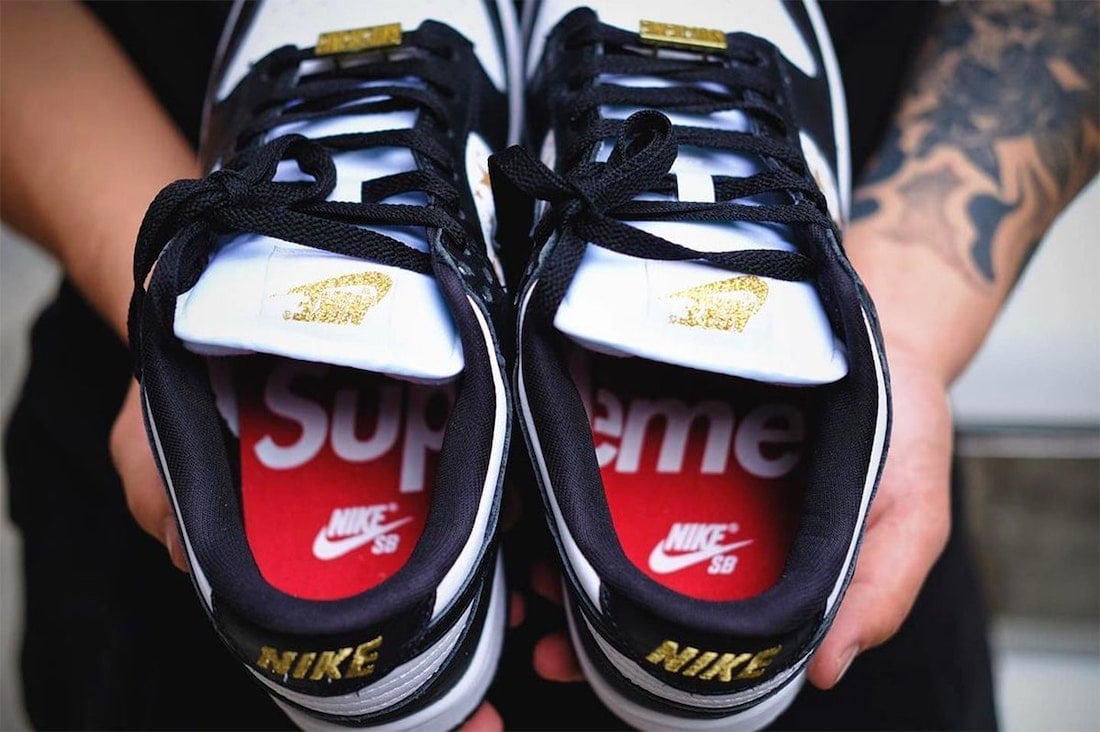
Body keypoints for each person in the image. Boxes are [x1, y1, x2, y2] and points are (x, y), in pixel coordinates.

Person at [1, 1, 1095, 730]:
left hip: (197, 526)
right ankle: (708, 637)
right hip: (137, 577)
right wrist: (897, 315)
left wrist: (908, 315)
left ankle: (337, 626)